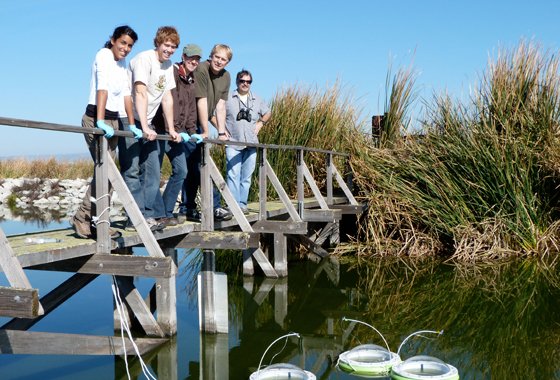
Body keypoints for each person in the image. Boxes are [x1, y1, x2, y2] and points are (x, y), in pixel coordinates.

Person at [70, 26, 138, 239]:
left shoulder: (121, 62)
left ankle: (99, 221)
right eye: (123, 43)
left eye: (129, 46)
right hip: (95, 120)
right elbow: (103, 87)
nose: (126, 48)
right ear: (113, 40)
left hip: (114, 122)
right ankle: (82, 218)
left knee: (108, 174)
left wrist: (131, 123)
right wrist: (100, 120)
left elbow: (126, 94)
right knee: (105, 171)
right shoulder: (104, 55)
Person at [117, 26, 180, 232]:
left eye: (173, 47)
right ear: (158, 43)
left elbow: (168, 97)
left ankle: (146, 215)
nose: (169, 50)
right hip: (129, 119)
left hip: (147, 122)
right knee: (132, 170)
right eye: (166, 45)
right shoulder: (145, 59)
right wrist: (143, 126)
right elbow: (140, 92)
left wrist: (171, 128)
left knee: (153, 171)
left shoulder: (169, 65)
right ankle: (135, 218)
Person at [151, 44, 203, 226]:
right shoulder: (172, 72)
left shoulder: (191, 79)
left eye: (197, 59)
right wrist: (171, 128)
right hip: (161, 130)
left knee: (181, 170)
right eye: (191, 58)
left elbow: (190, 110)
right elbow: (167, 103)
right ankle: (149, 214)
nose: (194, 62)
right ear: (183, 57)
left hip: (178, 134)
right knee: (152, 173)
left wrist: (192, 132)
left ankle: (165, 211)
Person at [193, 44, 233, 222]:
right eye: (216, 57)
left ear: (228, 62)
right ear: (211, 56)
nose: (219, 61)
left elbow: (220, 106)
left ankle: (191, 207)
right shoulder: (202, 68)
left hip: (204, 123)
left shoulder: (226, 76)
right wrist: (207, 131)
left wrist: (222, 131)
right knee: (196, 165)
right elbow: (201, 101)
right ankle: (213, 205)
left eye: (223, 59)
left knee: (194, 165)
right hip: (191, 122)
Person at [225, 69, 271, 214]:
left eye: (248, 82)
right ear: (237, 82)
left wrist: (261, 123)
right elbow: (213, 114)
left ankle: (242, 205)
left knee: (246, 176)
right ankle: (233, 205)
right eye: (242, 81)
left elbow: (268, 112)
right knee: (233, 174)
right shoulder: (227, 97)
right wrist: (221, 130)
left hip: (251, 143)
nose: (245, 84)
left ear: (251, 83)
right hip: (233, 141)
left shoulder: (256, 99)